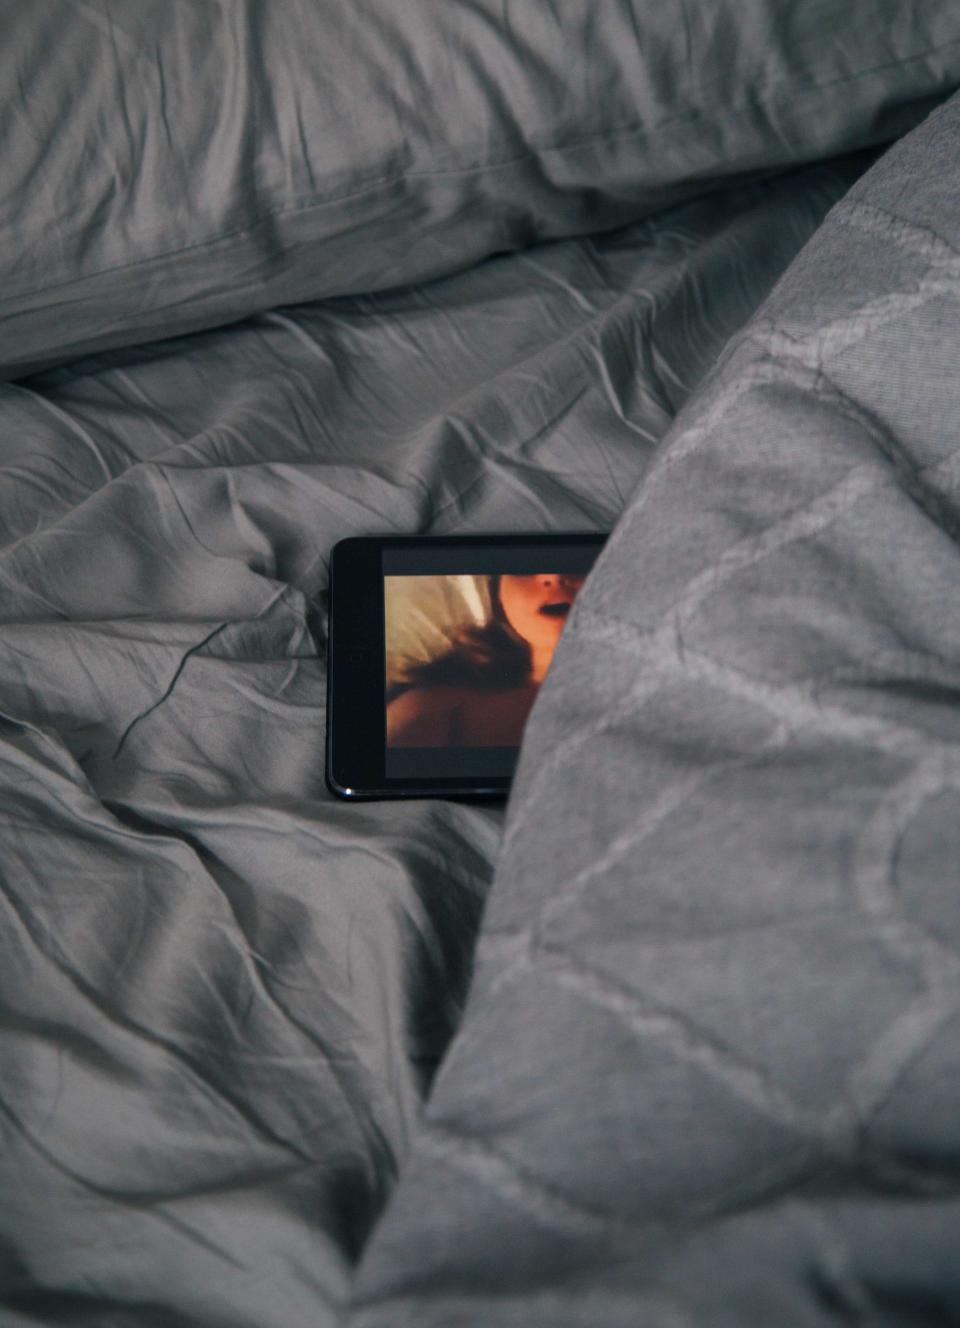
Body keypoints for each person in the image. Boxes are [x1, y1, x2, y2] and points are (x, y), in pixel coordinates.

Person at [386, 572, 586, 747]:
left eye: (576, 562)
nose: (553, 576)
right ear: (499, 598)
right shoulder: (429, 706)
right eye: (523, 568)